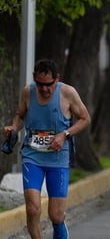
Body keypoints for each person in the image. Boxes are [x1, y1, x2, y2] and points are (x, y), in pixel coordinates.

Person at [2, 59, 91, 239]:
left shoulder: (67, 93)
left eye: (49, 84)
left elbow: (85, 118)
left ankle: (60, 226)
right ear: (34, 78)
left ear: (57, 79)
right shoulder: (28, 92)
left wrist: (64, 134)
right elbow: (20, 115)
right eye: (40, 84)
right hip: (32, 156)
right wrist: (13, 128)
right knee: (33, 208)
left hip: (58, 159)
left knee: (56, 215)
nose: (44, 89)